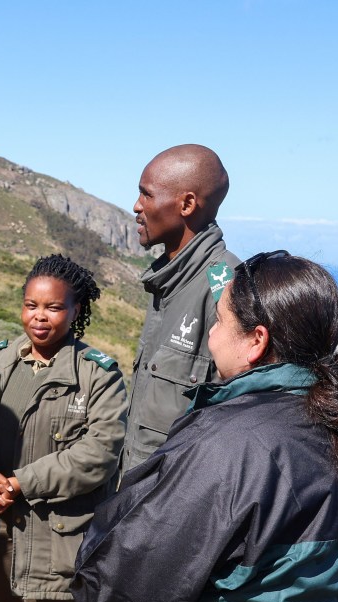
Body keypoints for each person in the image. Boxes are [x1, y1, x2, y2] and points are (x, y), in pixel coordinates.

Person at [72, 251, 338, 602]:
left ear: (256, 341)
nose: (210, 334)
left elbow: (126, 587)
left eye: (219, 321)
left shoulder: (230, 441)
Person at [0, 255, 127, 602]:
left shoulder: (97, 376)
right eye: (31, 305)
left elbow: (100, 452)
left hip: (54, 541)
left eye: (54, 307)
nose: (39, 316)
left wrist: (19, 483)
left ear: (76, 310)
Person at [120, 144, 240, 473]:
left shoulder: (225, 287)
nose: (136, 206)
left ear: (186, 204)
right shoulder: (168, 280)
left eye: (146, 195)